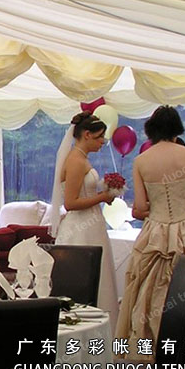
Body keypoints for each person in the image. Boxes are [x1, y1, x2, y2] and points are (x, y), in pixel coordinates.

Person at [116, 106, 185, 361]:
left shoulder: (140, 160)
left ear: (151, 130)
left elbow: (141, 207)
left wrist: (158, 211)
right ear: (177, 128)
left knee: (146, 292)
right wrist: (184, 204)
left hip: (154, 232)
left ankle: (148, 353)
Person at [43, 111, 119, 322]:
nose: (103, 142)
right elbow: (71, 203)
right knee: (87, 276)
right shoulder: (76, 160)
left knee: (100, 274)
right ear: (86, 134)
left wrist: (103, 192)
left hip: (91, 224)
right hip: (82, 226)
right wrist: (102, 197)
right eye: (99, 137)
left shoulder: (80, 158)